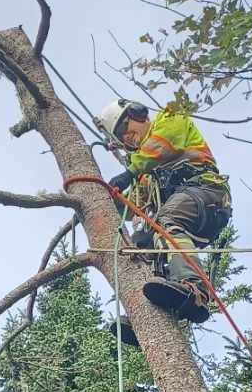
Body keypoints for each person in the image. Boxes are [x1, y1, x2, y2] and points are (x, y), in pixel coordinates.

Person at [97, 99, 232, 331]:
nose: (126, 137)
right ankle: (150, 317)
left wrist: (129, 172)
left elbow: (161, 147)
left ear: (138, 115)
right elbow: (136, 205)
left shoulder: (170, 118)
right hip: (185, 205)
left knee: (166, 220)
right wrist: (109, 200)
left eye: (124, 128)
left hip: (206, 191)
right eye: (120, 136)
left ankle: (195, 288)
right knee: (142, 246)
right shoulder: (145, 172)